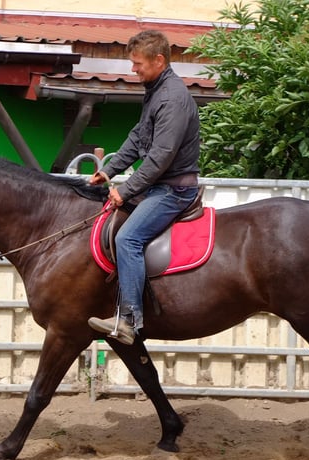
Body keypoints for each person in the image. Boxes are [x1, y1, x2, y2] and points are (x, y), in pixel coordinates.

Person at [87, 30, 201, 345]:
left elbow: (161, 155)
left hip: (174, 190)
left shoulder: (173, 98)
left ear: (159, 60)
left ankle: (129, 319)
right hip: (158, 186)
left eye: (138, 64)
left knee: (128, 238)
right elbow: (138, 138)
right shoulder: (156, 92)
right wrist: (108, 171)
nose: (133, 70)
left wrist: (126, 188)